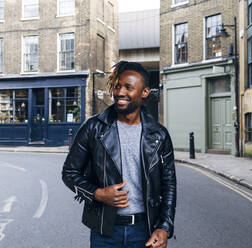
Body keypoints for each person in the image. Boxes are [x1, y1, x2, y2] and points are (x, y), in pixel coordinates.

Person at [62, 61, 176, 248]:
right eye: (117, 86)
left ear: (145, 92)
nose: (120, 92)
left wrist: (164, 226)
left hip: (144, 230)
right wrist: (97, 193)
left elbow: (169, 184)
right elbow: (69, 173)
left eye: (128, 88)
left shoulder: (159, 135)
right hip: (105, 231)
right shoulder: (93, 128)